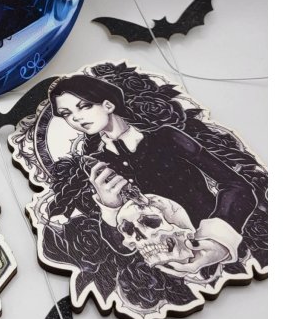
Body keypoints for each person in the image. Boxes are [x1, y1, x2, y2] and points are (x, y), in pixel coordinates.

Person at [48, 74, 258, 273]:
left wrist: (218, 238)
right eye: (66, 114)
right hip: (165, 264)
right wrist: (110, 208)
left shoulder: (167, 137)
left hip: (225, 249)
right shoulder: (99, 166)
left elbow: (237, 185)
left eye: (84, 106)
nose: (76, 118)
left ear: (108, 105)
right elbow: (122, 247)